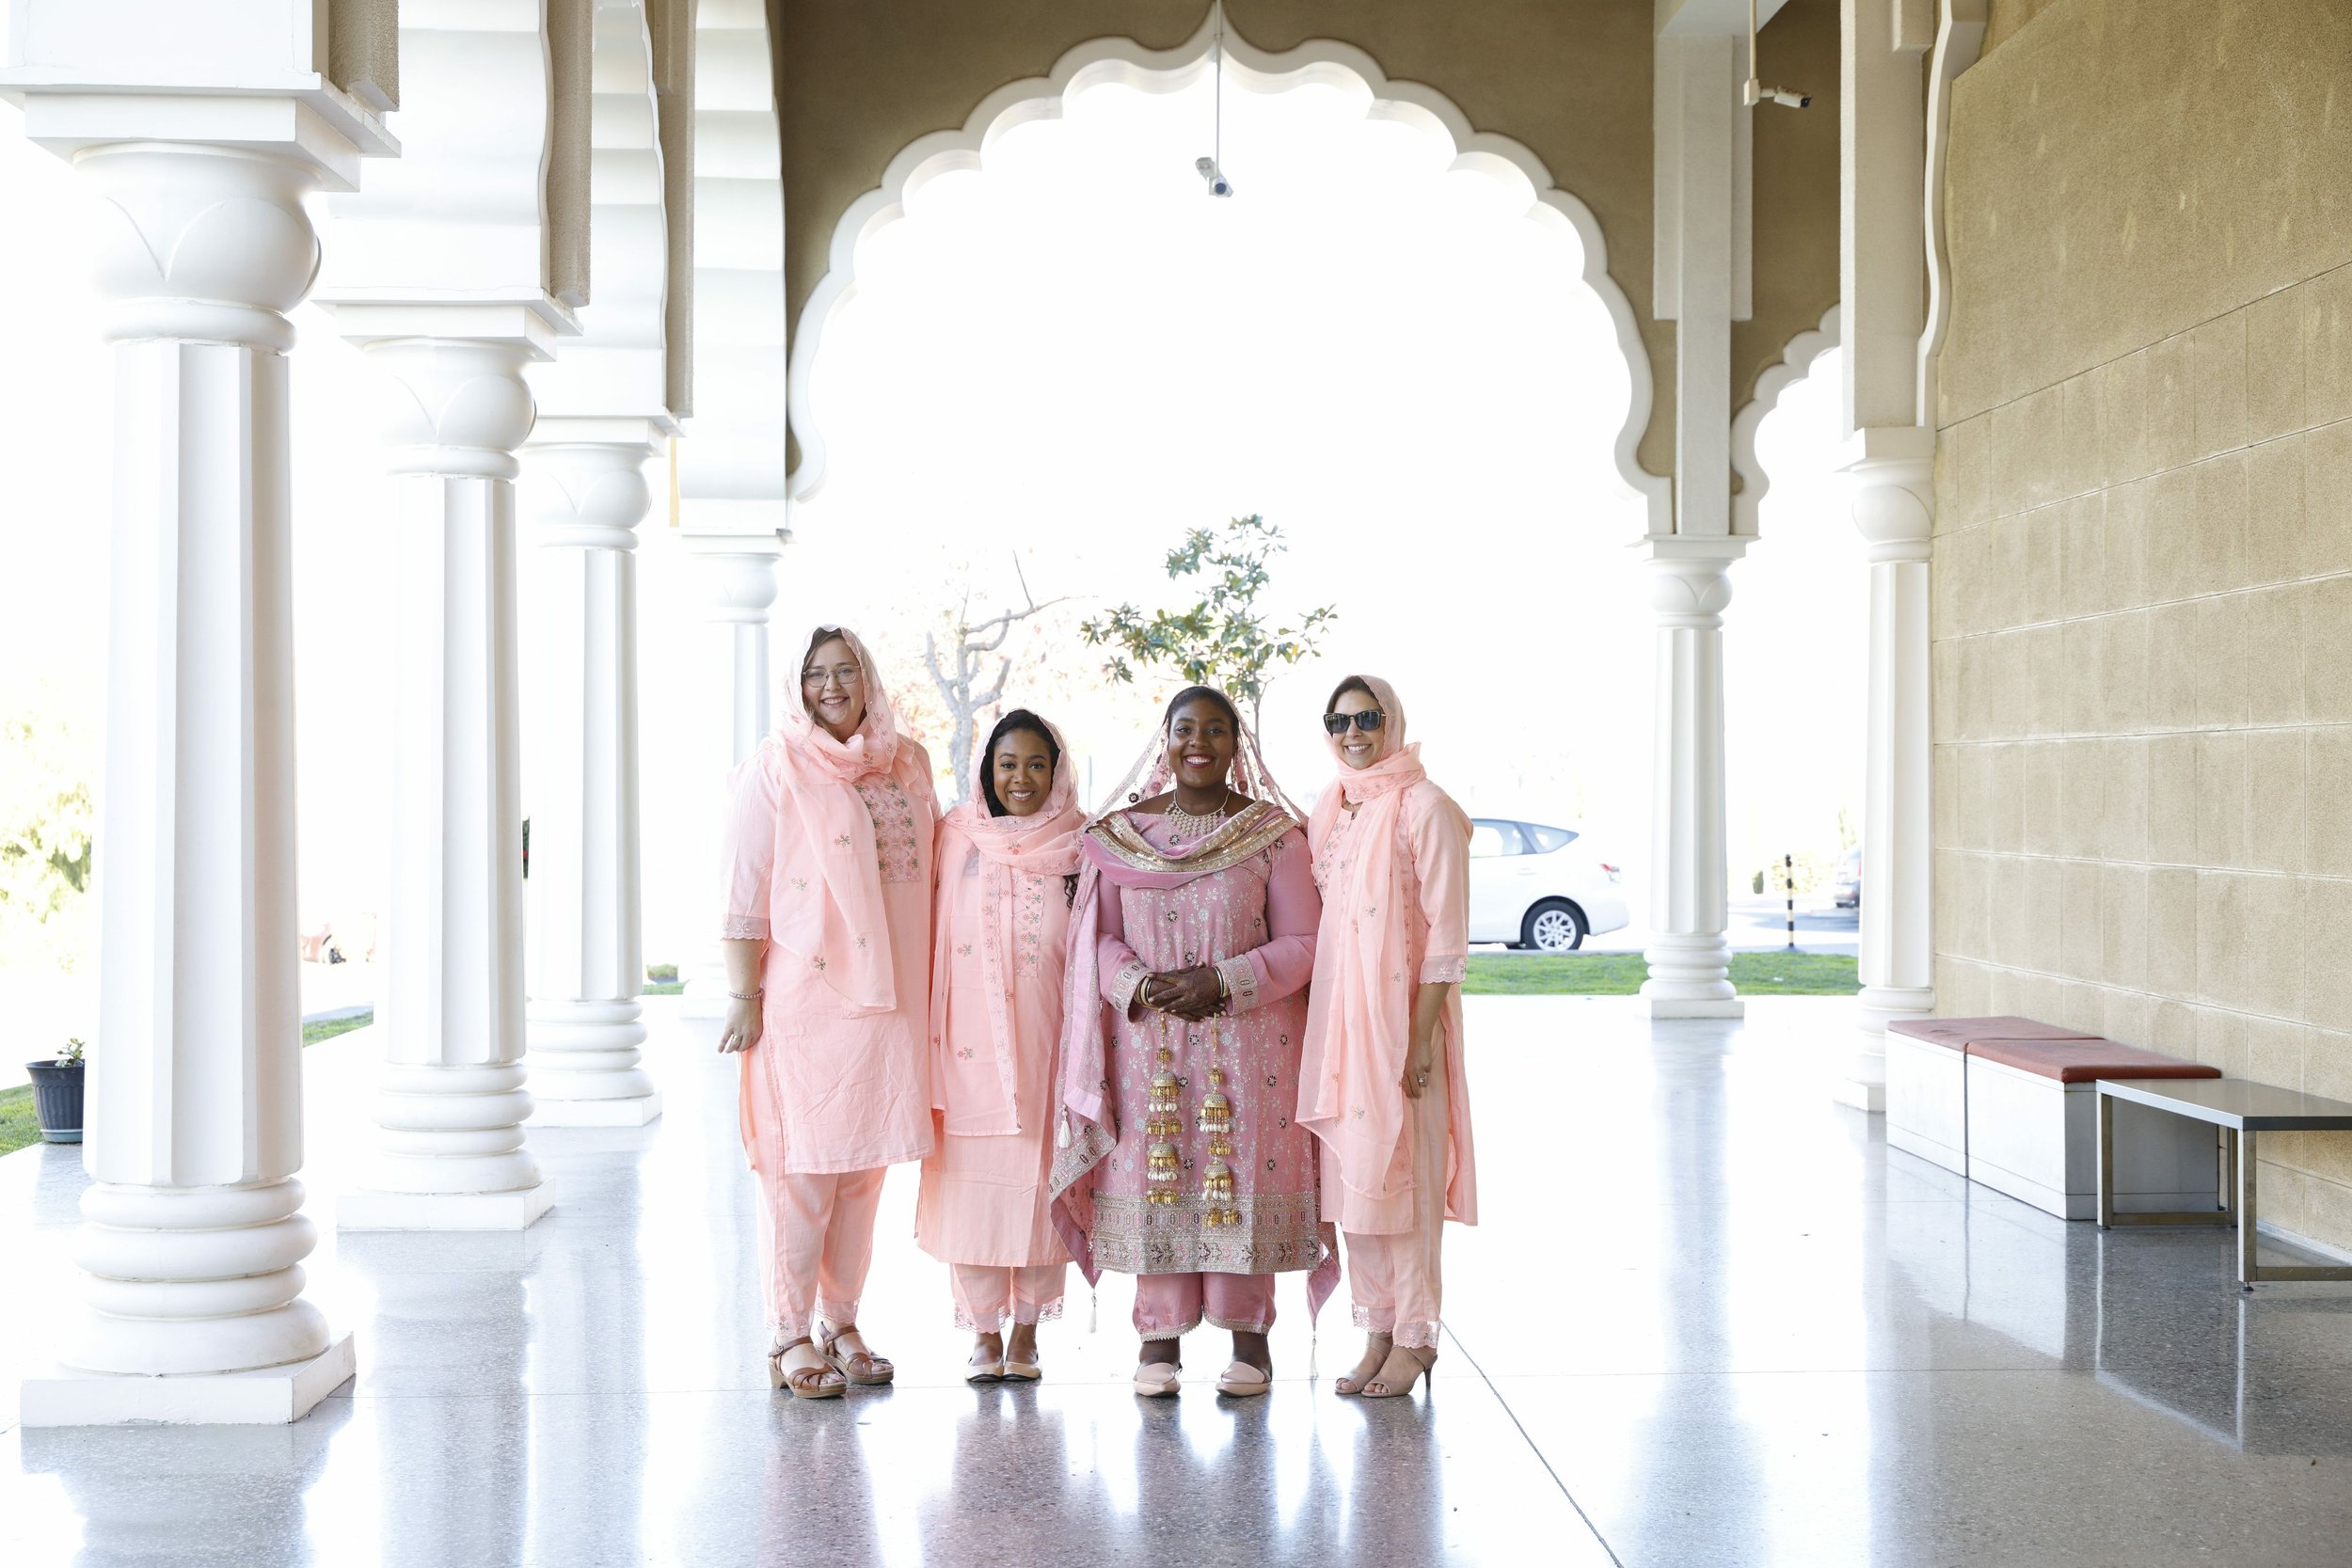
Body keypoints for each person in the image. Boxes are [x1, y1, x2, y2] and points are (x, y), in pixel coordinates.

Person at [1050, 685, 1335, 1398]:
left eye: (1215, 728)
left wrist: (1223, 978)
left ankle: (1250, 1343)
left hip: (1251, 1037)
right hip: (1149, 1041)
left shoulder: (1272, 834)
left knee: (1241, 1170)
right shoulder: (1121, 837)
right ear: (1166, 740)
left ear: (1236, 746)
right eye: (1185, 728)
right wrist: (1142, 985)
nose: (1198, 740)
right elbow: (1098, 935)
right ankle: (1158, 1341)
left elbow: (1304, 942)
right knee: (1158, 1168)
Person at [718, 625, 938, 1400]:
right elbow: (744, 896)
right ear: (797, 685)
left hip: (891, 1000)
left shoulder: (907, 762)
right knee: (803, 1170)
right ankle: (787, 1331)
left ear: (869, 678)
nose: (832, 686)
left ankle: (841, 1321)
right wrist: (745, 998)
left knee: (863, 1174)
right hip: (806, 1001)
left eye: (847, 670)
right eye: (816, 674)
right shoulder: (774, 768)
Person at [1297, 674, 1477, 1399]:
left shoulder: (1425, 806)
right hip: (1342, 1027)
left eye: (1367, 717)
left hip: (1405, 1026)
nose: (1353, 732)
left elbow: (1448, 934)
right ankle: (1376, 1328)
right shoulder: (1335, 808)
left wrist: (1423, 1037)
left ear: (1392, 721)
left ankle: (1417, 1335)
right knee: (1356, 1183)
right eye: (1338, 720)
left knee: (1406, 1183)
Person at [917, 708, 1085, 1383]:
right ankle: (983, 1330)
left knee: (1039, 1182)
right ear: (988, 769)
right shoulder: (956, 836)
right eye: (1007, 764)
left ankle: (1026, 1331)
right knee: (974, 1187)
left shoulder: (1079, 842)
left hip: (1050, 1038)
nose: (1021, 777)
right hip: (967, 1041)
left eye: (1035, 764)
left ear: (1057, 770)